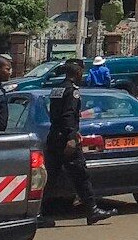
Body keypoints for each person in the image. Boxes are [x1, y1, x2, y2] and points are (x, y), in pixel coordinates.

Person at [40, 59, 113, 227]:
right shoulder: (72, 91)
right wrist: (72, 137)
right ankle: (92, 210)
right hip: (66, 139)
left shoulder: (57, 88)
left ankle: (38, 213)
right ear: (78, 73)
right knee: (80, 175)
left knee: (49, 177)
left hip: (54, 136)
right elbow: (69, 115)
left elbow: (55, 114)